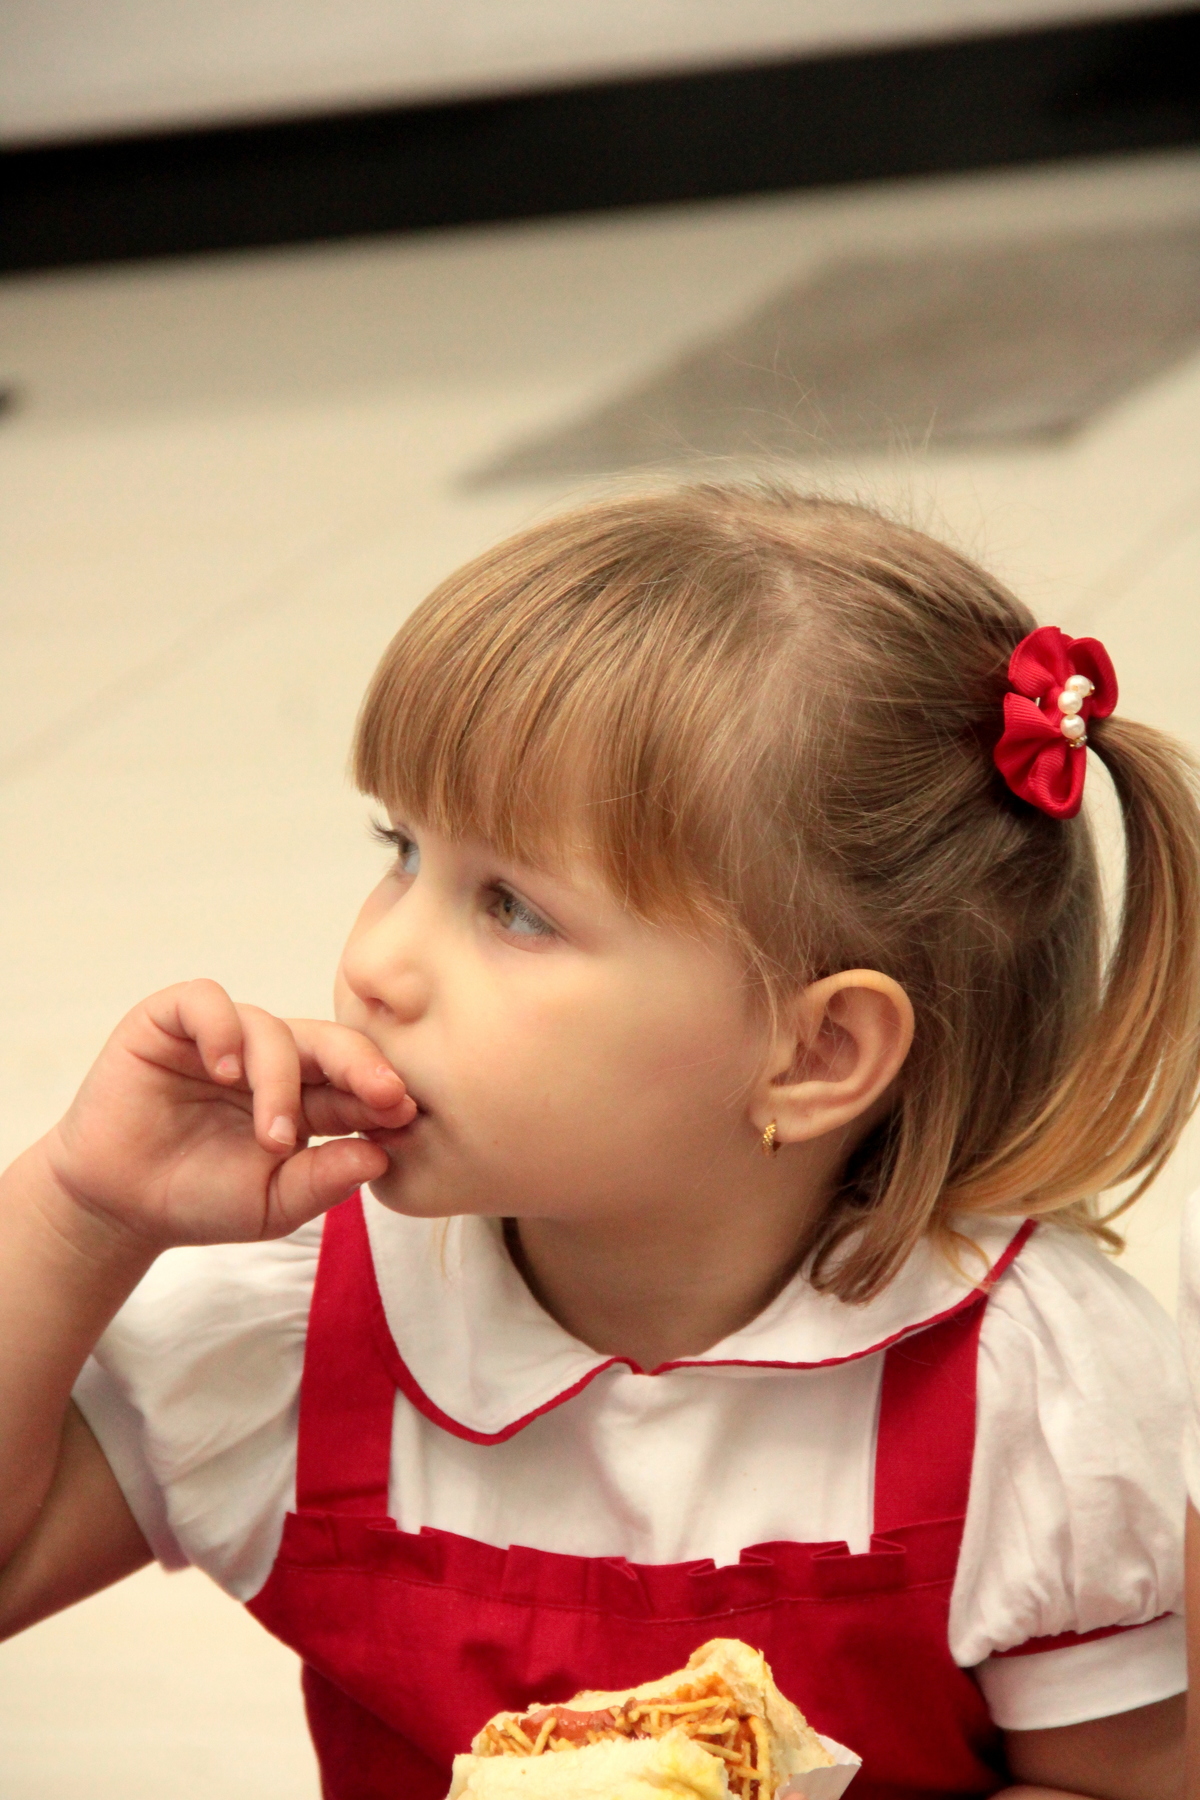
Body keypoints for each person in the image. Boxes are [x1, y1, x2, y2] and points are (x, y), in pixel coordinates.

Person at [0, 486, 1195, 1800]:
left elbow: (1123, 1780)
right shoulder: (310, 1312)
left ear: (815, 1055)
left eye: (511, 907)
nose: (378, 962)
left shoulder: (1034, 1391)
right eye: (402, 850)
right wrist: (81, 1209)